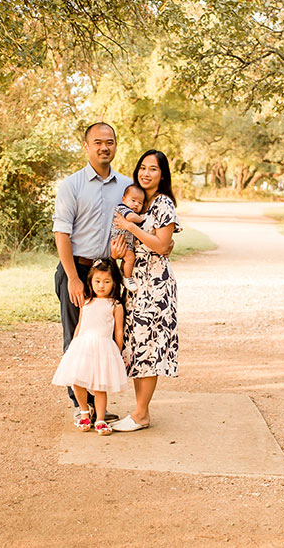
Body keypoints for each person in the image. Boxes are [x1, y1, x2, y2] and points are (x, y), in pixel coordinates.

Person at [53, 122, 132, 424]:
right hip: (77, 267)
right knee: (78, 336)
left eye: (109, 142)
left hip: (109, 272)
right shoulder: (71, 185)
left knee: (106, 336)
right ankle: (80, 406)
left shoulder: (126, 186)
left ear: (115, 145)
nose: (104, 147)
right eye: (97, 142)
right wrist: (73, 278)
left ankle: (100, 405)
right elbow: (62, 233)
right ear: (86, 147)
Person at [109, 150, 182, 432]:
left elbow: (163, 246)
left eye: (153, 169)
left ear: (162, 175)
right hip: (135, 284)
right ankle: (141, 412)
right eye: (142, 167)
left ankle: (140, 414)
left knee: (149, 347)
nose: (146, 173)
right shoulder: (140, 202)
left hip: (155, 285)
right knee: (138, 347)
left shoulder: (163, 204)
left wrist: (130, 226)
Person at [51, 259, 129, 436]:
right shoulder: (86, 301)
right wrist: (73, 345)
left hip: (103, 348)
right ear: (91, 282)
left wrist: (117, 351)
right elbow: (79, 324)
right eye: (97, 281)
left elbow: (118, 331)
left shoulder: (115, 305)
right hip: (83, 346)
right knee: (77, 381)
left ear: (114, 283)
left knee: (99, 387)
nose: (101, 286)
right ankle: (85, 411)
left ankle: (100, 418)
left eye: (107, 282)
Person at [109, 184, 145, 292]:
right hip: (120, 241)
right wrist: (141, 218)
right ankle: (127, 278)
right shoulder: (122, 208)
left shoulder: (129, 209)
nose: (136, 204)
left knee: (126, 261)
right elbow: (130, 217)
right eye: (133, 200)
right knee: (130, 258)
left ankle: (122, 274)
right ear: (124, 199)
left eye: (140, 203)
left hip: (125, 242)